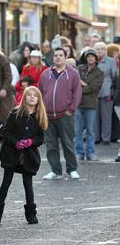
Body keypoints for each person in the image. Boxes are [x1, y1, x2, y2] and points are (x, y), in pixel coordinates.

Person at [0, 86, 48, 225]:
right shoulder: (15, 113)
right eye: (29, 95)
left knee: (28, 185)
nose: (32, 97)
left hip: (28, 156)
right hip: (12, 154)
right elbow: (6, 132)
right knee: (6, 183)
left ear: (38, 99)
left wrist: (31, 142)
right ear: (24, 98)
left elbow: (40, 138)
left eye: (35, 95)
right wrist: (16, 143)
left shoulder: (39, 116)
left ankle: (31, 214)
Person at [39, 48, 82, 180]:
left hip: (65, 114)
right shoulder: (45, 74)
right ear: (53, 58)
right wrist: (41, 111)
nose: (58, 57)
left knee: (68, 143)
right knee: (51, 145)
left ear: (65, 57)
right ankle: (55, 170)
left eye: (60, 55)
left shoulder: (73, 73)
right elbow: (39, 92)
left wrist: (71, 109)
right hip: (48, 115)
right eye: (55, 55)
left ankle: (72, 169)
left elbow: (77, 92)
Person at [75, 49, 104, 161]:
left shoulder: (100, 73)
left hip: (91, 105)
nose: (90, 58)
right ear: (86, 58)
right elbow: (74, 83)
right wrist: (83, 85)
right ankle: (79, 153)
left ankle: (90, 153)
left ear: (96, 59)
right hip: (78, 103)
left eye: (92, 57)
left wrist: (82, 85)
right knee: (77, 131)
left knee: (90, 131)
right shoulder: (79, 69)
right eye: (88, 57)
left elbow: (94, 88)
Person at [94, 42, 117, 145]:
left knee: (106, 117)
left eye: (102, 49)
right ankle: (96, 138)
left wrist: (112, 92)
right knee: (94, 117)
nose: (99, 51)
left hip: (107, 93)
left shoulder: (111, 62)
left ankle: (106, 138)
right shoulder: (91, 61)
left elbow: (115, 77)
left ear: (106, 51)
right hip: (94, 94)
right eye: (97, 49)